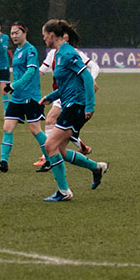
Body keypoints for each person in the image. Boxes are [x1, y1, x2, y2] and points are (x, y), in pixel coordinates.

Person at [37, 19, 108, 202]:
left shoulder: (68, 53)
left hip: (77, 106)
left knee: (50, 146)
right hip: (69, 104)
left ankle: (64, 192)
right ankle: (96, 167)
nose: (43, 38)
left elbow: (87, 79)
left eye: (44, 35)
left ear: (52, 35)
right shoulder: (59, 54)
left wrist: (89, 106)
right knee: (59, 150)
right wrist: (50, 97)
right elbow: (67, 85)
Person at [32, 37, 99, 171]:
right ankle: (91, 161)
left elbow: (92, 69)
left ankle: (48, 158)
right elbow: (41, 70)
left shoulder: (72, 53)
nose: (43, 38)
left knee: (52, 125)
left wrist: (89, 83)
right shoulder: (53, 53)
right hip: (62, 94)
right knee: (61, 143)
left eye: (45, 34)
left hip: (73, 98)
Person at [0, 23, 47, 172]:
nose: (14, 36)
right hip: (17, 96)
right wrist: (13, 86)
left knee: (35, 130)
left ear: (24, 33)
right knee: (7, 128)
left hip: (31, 96)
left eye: (17, 33)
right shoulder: (17, 51)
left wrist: (13, 85)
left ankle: (51, 158)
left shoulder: (31, 50)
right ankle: (3, 162)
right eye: (12, 33)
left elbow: (30, 73)